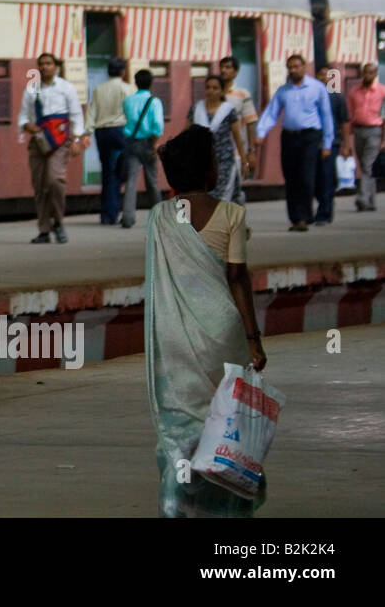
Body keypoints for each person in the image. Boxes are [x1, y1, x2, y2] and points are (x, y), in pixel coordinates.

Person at [145, 125, 267, 518]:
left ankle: (177, 502)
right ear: (211, 172)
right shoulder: (232, 214)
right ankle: (229, 505)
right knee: (227, 422)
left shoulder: (159, 218)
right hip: (225, 335)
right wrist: (253, 339)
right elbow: (237, 278)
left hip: (175, 338)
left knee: (180, 426)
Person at [255, 54, 333, 232]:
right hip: (289, 137)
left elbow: (326, 116)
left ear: (304, 67)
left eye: (296, 66)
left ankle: (305, 217)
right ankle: (296, 218)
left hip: (310, 137)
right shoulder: (283, 91)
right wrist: (261, 132)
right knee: (290, 177)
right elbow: (271, 112)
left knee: (306, 177)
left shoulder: (317, 88)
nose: (293, 70)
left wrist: (327, 143)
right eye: (290, 67)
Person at [18, 53, 83, 244]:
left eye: (48, 63)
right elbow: (23, 117)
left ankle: (59, 222)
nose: (45, 67)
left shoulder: (66, 88)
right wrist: (28, 126)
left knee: (55, 181)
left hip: (59, 142)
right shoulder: (31, 89)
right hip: (38, 142)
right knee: (39, 186)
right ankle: (44, 230)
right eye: (41, 64)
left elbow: (76, 115)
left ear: (56, 66)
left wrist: (77, 139)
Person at [87, 57, 134, 225]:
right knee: (122, 171)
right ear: (123, 72)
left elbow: (92, 111)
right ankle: (114, 210)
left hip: (102, 132)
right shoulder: (128, 89)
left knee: (107, 172)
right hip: (121, 131)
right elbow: (132, 112)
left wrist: (87, 131)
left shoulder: (99, 89)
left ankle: (107, 214)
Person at [188, 75, 245, 201]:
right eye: (208, 87)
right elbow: (187, 133)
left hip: (224, 161)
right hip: (202, 161)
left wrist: (243, 159)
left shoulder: (228, 110)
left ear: (222, 91)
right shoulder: (196, 108)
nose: (211, 91)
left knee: (220, 195)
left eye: (215, 88)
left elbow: (237, 137)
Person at [120, 69, 164, 228]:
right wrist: (154, 144)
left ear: (135, 82)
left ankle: (127, 217)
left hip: (131, 142)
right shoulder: (155, 102)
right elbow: (157, 126)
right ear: (151, 83)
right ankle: (159, 218)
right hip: (148, 143)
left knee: (131, 181)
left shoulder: (127, 100)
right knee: (152, 180)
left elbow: (125, 118)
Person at [313, 65, 351, 225]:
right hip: (312, 143)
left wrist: (346, 145)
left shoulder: (336, 97)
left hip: (332, 143)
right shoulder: (311, 96)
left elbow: (345, 122)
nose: (323, 77)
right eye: (320, 74)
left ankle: (324, 213)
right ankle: (324, 204)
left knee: (327, 177)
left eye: (326, 74)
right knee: (315, 179)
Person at [218, 56, 259, 202]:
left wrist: (251, 152)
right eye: (222, 67)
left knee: (234, 186)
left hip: (236, 149)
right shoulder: (214, 94)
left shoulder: (242, 94)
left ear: (236, 72)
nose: (223, 70)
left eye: (228, 67)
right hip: (217, 149)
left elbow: (250, 123)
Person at [346, 61, 385, 211]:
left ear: (375, 74)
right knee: (365, 166)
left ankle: (361, 198)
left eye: (370, 72)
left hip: (375, 131)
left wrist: (383, 139)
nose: (367, 75)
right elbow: (349, 114)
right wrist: (347, 139)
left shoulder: (382, 91)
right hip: (358, 131)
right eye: (365, 72)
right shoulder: (354, 91)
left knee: (368, 165)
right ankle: (371, 200)